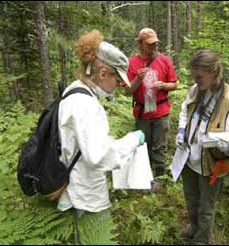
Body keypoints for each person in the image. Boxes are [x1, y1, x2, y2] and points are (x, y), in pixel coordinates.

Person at [57, 29, 145, 245]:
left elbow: (82, 144)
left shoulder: (74, 91)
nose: (119, 86)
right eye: (118, 79)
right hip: (87, 196)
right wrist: (133, 140)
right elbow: (99, 157)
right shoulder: (86, 105)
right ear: (103, 73)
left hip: (74, 187)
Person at [175, 48, 229, 244]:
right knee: (191, 199)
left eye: (199, 77)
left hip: (211, 164)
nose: (196, 81)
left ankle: (202, 240)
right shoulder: (196, 90)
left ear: (213, 72)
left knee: (206, 207)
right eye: (194, 76)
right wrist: (181, 130)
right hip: (189, 158)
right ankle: (194, 228)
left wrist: (224, 145)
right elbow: (185, 111)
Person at [125, 28, 178, 189]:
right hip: (142, 112)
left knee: (160, 145)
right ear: (140, 44)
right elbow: (128, 91)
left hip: (161, 111)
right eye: (150, 44)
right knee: (143, 146)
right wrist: (138, 79)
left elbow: (175, 84)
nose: (154, 47)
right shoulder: (132, 63)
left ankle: (160, 178)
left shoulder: (164, 60)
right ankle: (145, 178)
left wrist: (164, 85)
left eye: (155, 43)